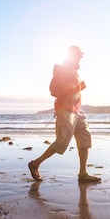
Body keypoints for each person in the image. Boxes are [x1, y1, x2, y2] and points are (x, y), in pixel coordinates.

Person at [28, 46, 101, 183]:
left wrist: (78, 88)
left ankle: (83, 173)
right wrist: (80, 86)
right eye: (79, 55)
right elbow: (54, 91)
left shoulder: (74, 71)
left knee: (85, 139)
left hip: (77, 110)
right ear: (72, 55)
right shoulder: (61, 69)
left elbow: (72, 90)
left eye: (81, 55)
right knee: (61, 142)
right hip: (65, 110)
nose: (81, 57)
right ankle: (35, 164)